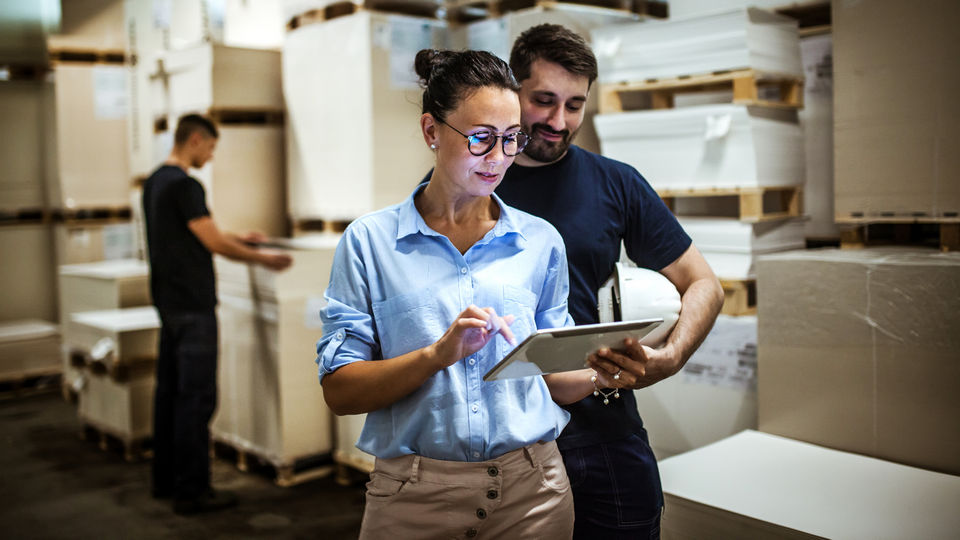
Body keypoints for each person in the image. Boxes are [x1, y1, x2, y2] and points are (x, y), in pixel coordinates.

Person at [316, 49, 617, 539]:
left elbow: (550, 378)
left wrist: (603, 371)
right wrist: (437, 354)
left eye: (511, 139)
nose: (499, 158)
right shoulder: (369, 243)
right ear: (432, 131)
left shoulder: (541, 242)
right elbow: (340, 390)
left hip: (534, 493)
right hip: (413, 498)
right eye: (480, 138)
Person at [496, 24, 726, 538]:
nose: (559, 121)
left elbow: (704, 284)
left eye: (575, 105)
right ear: (513, 92)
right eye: (544, 101)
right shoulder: (469, 183)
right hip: (502, 438)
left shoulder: (614, 182)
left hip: (602, 431)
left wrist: (670, 358)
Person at [142, 114, 292, 515]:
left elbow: (191, 233)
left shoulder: (156, 181)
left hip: (168, 304)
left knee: (169, 394)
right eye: (210, 147)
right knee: (197, 399)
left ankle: (165, 480)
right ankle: (193, 491)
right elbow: (211, 242)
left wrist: (238, 237)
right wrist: (263, 258)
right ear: (195, 140)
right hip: (193, 307)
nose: (210, 155)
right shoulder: (186, 185)